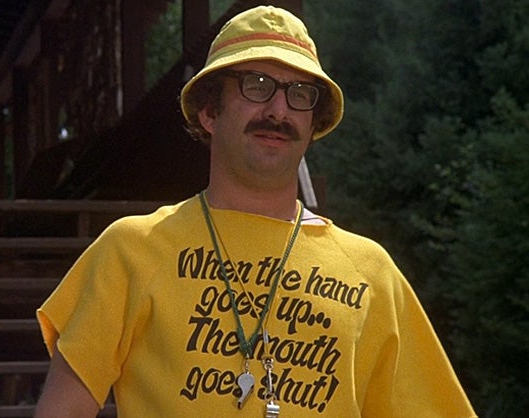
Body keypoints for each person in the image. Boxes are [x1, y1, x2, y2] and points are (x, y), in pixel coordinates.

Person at [34, 5, 477, 418]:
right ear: (210, 111)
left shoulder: (371, 274)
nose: (279, 110)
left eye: (300, 94)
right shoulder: (130, 250)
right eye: (257, 85)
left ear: (313, 123)